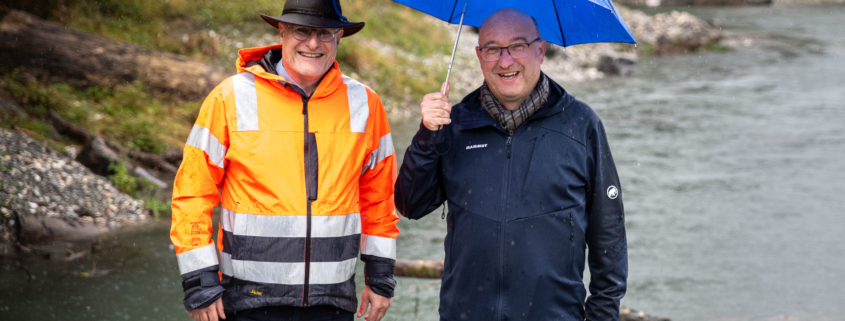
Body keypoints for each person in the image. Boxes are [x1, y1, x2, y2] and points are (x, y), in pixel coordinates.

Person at [170, 1, 399, 320]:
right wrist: (199, 284)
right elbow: (192, 195)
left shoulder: (366, 104)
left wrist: (380, 277)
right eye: (302, 31)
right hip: (248, 301)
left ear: (339, 38)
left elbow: (380, 200)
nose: (314, 43)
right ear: (282, 32)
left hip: (331, 303)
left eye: (325, 33)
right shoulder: (230, 98)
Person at [395, 8, 628, 321]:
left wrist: (602, 315)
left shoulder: (581, 124)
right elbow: (410, 204)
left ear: (541, 50)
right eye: (492, 49)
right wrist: (427, 134)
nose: (505, 61)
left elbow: (609, 236)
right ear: (478, 55)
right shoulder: (455, 124)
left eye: (518, 46)